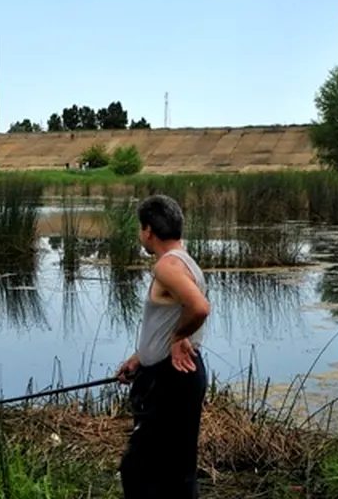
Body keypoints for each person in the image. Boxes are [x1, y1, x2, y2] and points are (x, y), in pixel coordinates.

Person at [116, 194, 211, 498]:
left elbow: (199, 307)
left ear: (148, 231)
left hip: (168, 379)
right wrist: (140, 358)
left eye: (139, 228)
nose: (140, 234)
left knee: (138, 470)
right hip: (177, 373)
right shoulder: (187, 262)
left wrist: (175, 339)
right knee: (176, 469)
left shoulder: (166, 266)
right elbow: (173, 317)